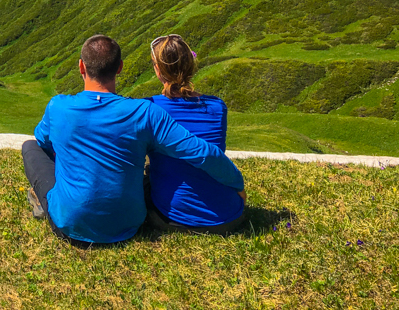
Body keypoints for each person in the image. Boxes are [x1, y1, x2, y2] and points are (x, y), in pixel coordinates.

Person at [21, 34, 245, 245]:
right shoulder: (145, 111)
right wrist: (238, 184)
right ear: (119, 68)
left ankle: (46, 201)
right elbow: (201, 152)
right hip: (130, 223)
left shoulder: (57, 106)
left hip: (70, 224)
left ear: (81, 66)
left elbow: (43, 142)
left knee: (31, 147)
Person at [144, 34, 246, 234]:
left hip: (173, 217)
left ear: (158, 70)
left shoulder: (150, 108)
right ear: (191, 65)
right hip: (229, 216)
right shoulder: (217, 106)